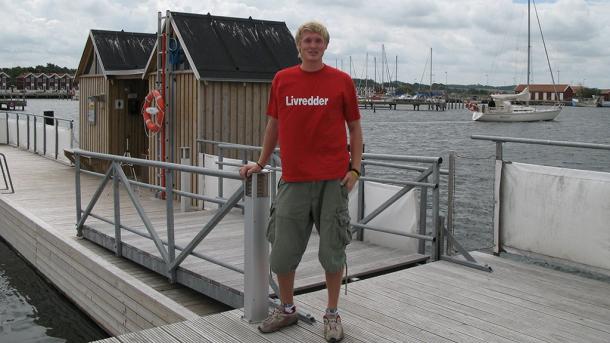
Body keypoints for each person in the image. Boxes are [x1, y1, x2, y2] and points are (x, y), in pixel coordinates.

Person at [239, 21, 363, 342]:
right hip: (293, 180)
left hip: (332, 182)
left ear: (325, 45)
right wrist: (261, 162)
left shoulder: (341, 81)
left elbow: (355, 129)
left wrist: (355, 169)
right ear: (298, 45)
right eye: (307, 40)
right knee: (282, 251)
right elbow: (273, 125)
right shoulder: (282, 80)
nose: (312, 45)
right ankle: (287, 308)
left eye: (318, 40)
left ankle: (332, 314)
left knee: (333, 251)